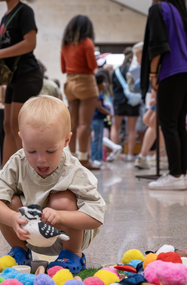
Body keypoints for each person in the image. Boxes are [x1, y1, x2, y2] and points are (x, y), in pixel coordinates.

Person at [0, 95, 105, 274]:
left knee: (62, 200)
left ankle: (72, 254)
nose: (41, 160)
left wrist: (61, 216)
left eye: (50, 151)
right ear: (21, 139)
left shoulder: (74, 170)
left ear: (66, 140)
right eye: (31, 150)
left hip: (67, 235)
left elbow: (96, 218)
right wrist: (12, 218)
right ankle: (20, 251)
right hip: (27, 233)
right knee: (8, 200)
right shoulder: (17, 163)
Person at [0, 0, 43, 188]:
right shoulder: (6, 15)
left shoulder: (24, 11)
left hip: (28, 74)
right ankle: (5, 176)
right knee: (7, 124)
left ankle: (26, 177)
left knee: (18, 126)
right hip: (14, 77)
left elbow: (30, 43)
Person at [140, 0, 187, 190]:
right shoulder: (180, 11)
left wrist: (153, 74)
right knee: (178, 125)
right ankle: (182, 175)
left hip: (172, 72)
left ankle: (175, 175)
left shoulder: (158, 9)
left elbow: (158, 44)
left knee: (168, 123)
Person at [60, 15, 100, 170]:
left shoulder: (65, 45)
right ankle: (83, 160)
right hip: (86, 83)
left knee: (73, 124)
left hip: (70, 83)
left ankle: (72, 158)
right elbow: (92, 65)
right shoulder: (87, 43)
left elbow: (63, 69)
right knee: (84, 124)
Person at [109, 47, 140, 162]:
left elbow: (111, 87)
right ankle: (130, 155)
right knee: (131, 129)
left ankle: (116, 153)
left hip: (119, 101)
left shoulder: (116, 71)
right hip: (133, 101)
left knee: (115, 126)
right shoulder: (134, 69)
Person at [90, 73, 113, 166]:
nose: (105, 85)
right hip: (96, 119)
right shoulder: (97, 94)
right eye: (103, 82)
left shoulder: (98, 93)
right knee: (97, 138)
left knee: (99, 139)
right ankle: (94, 158)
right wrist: (109, 113)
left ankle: (99, 158)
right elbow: (99, 107)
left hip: (99, 119)